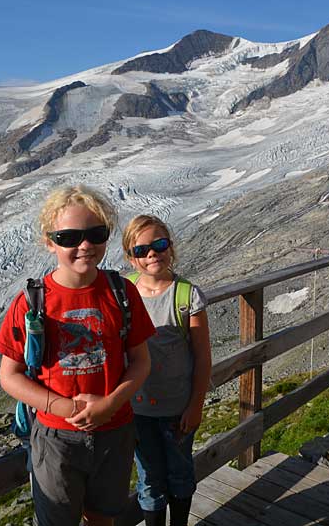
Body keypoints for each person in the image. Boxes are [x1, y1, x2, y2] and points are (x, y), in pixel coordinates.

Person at [0, 185, 155, 526]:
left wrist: (110, 403)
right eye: (69, 237)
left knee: (103, 518)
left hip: (115, 430)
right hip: (56, 437)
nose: (84, 245)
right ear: (49, 241)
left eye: (95, 234)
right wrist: (62, 407)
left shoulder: (122, 292)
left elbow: (141, 361)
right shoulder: (32, 302)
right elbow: (9, 375)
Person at [121, 215, 212, 526]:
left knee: (179, 473)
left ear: (170, 247)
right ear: (130, 257)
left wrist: (196, 404)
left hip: (178, 408)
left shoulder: (187, 295)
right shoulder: (124, 292)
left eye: (159, 245)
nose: (152, 254)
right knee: (149, 479)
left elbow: (202, 357)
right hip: (137, 409)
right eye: (142, 249)